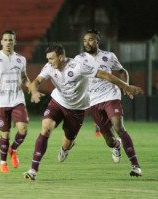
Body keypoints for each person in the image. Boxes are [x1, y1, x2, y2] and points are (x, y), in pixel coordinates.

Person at [23, 44, 143, 180]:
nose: (49, 62)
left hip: (77, 109)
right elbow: (37, 81)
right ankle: (33, 170)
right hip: (57, 102)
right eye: (47, 59)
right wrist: (34, 91)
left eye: (51, 59)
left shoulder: (78, 66)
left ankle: (67, 147)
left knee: (67, 142)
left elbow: (104, 74)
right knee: (45, 129)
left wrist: (125, 86)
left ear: (61, 57)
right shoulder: (49, 67)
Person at [74, 29, 142, 177]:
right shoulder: (79, 59)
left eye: (90, 40)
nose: (87, 43)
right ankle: (116, 145)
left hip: (111, 95)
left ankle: (135, 165)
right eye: (85, 40)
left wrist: (126, 86)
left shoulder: (109, 56)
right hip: (93, 100)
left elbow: (122, 70)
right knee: (109, 140)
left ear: (98, 41)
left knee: (119, 127)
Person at [0, 30, 31, 172]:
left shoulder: (21, 59)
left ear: (15, 42)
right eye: (6, 39)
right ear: (1, 42)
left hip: (17, 99)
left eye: (11, 40)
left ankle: (13, 149)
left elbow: (23, 78)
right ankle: (3, 163)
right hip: (0, 101)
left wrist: (31, 87)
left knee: (23, 129)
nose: (8, 42)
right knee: (6, 134)